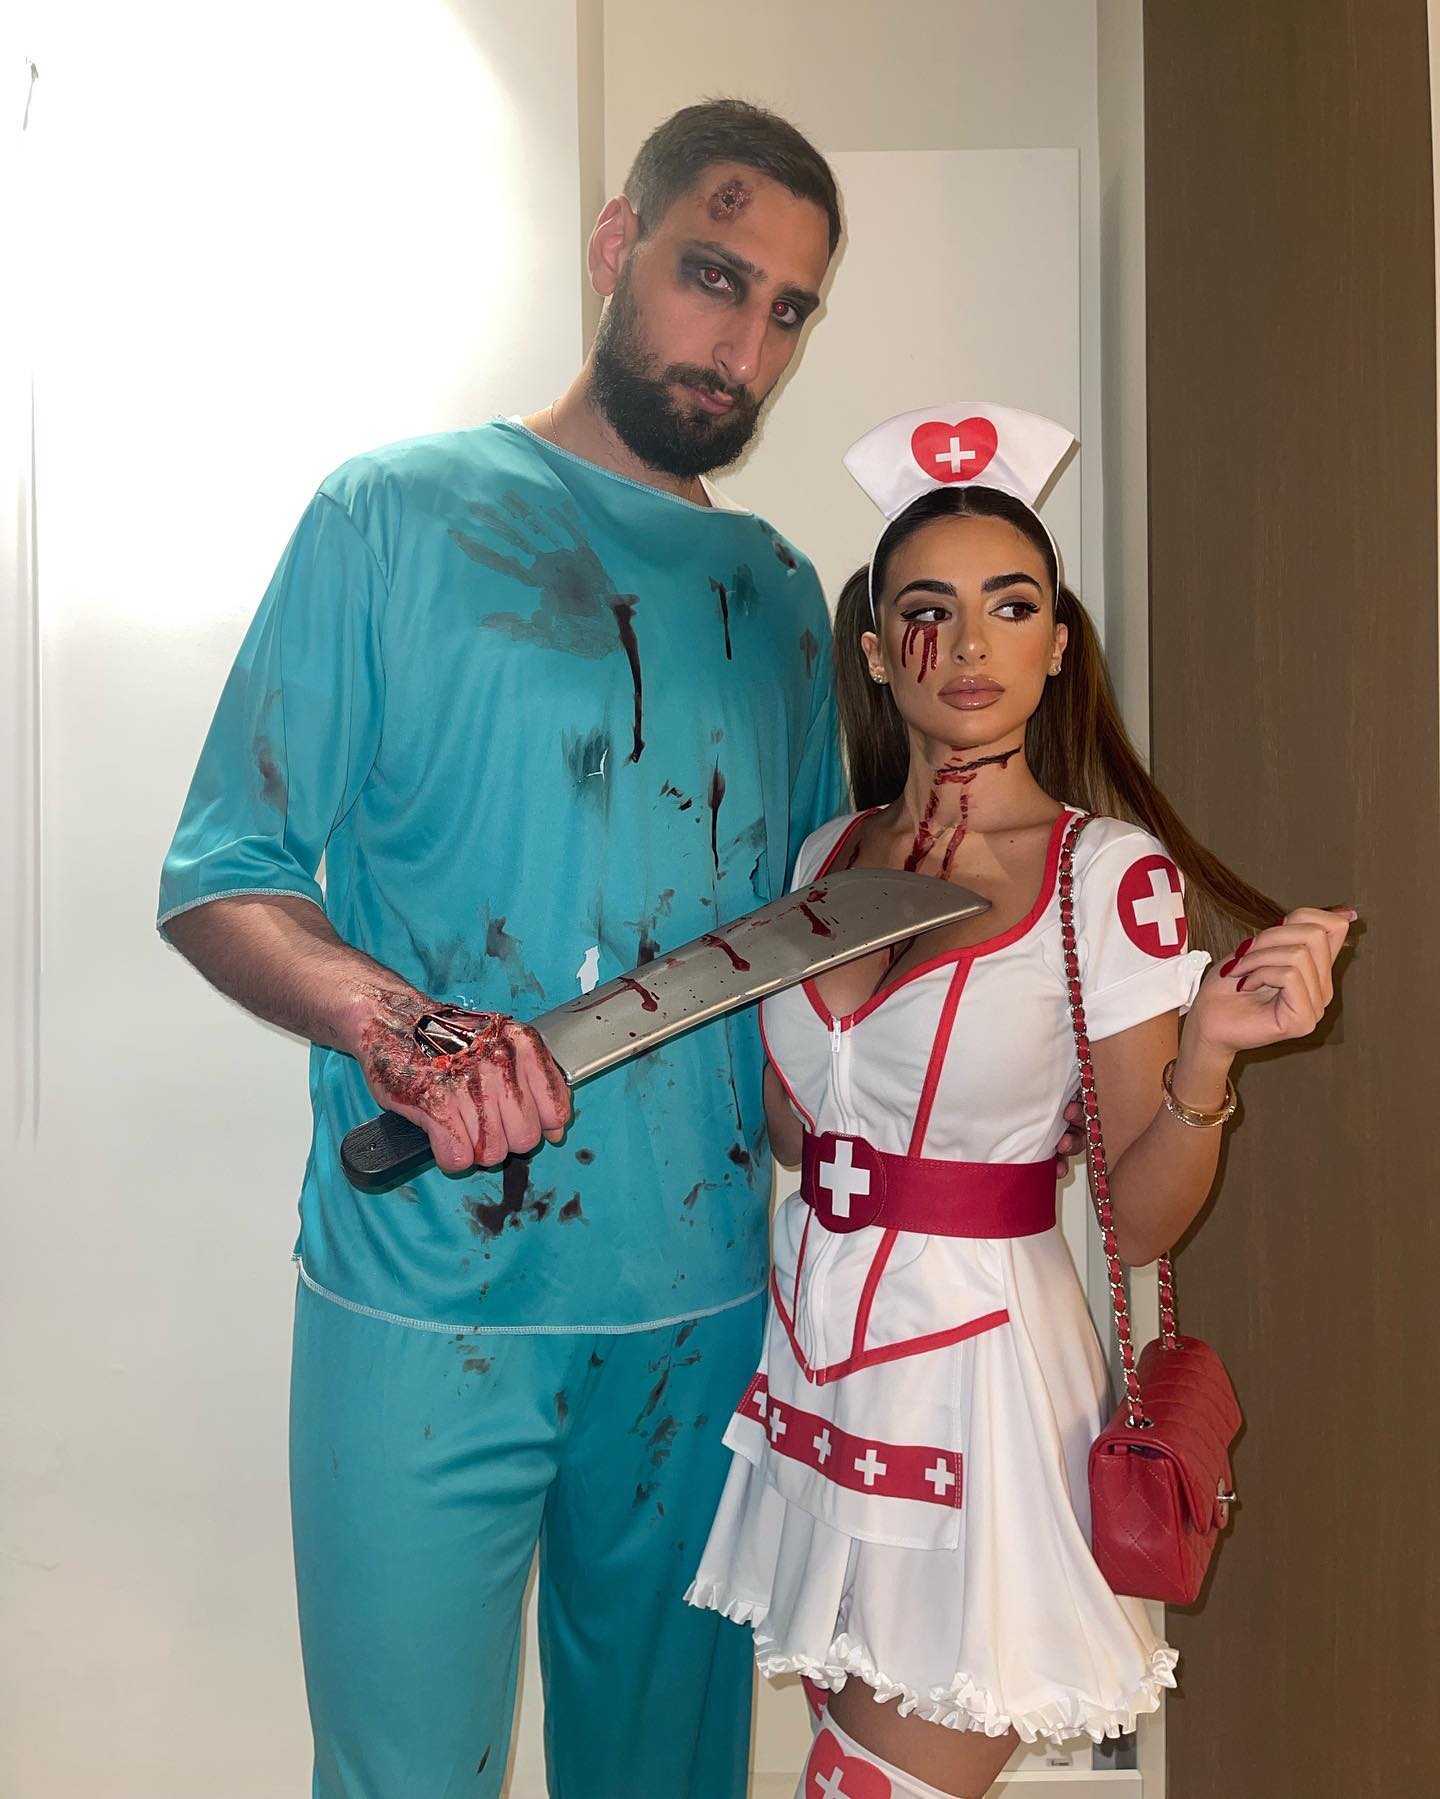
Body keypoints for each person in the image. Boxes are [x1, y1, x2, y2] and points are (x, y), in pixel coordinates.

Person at [157, 101, 847, 1799]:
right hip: (422, 1287)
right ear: (615, 245)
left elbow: (806, 976)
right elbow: (224, 872)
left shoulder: (777, 594)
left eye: (786, 311)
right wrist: (392, 1023)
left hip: (701, 1316)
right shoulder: (391, 515)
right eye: (713, 276)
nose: (744, 348)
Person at [687, 402, 1352, 1799]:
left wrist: (1207, 1061)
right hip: (814, 1363)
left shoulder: (1107, 877)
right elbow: (805, 1134)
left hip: (979, 1392)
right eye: (926, 611)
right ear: (878, 651)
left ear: (1057, 643)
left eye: (1011, 605)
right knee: (838, 1761)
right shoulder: (825, 854)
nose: (971, 646)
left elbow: (1140, 1222)